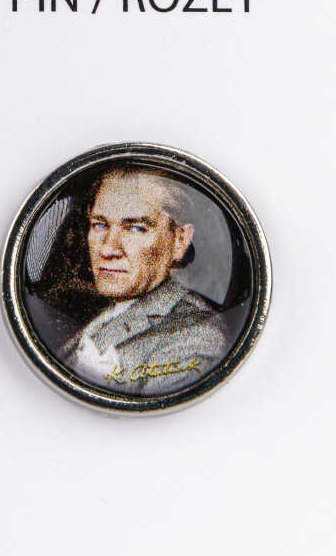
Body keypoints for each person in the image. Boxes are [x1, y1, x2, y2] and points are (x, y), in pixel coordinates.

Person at [59, 167, 231, 395]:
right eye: (100, 225)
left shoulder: (197, 337)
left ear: (180, 240)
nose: (108, 249)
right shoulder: (111, 314)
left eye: (136, 228)